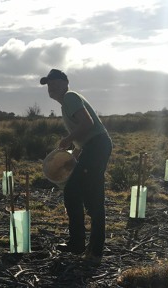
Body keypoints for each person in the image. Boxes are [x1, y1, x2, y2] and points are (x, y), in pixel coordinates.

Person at [40, 69, 112, 264]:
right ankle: (93, 250)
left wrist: (68, 139)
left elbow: (87, 123)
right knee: (92, 197)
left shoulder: (70, 97)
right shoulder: (66, 103)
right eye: (48, 85)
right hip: (94, 147)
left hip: (97, 146)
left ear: (65, 83)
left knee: (74, 192)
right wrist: (74, 154)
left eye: (55, 83)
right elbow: (85, 132)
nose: (51, 87)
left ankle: (79, 243)